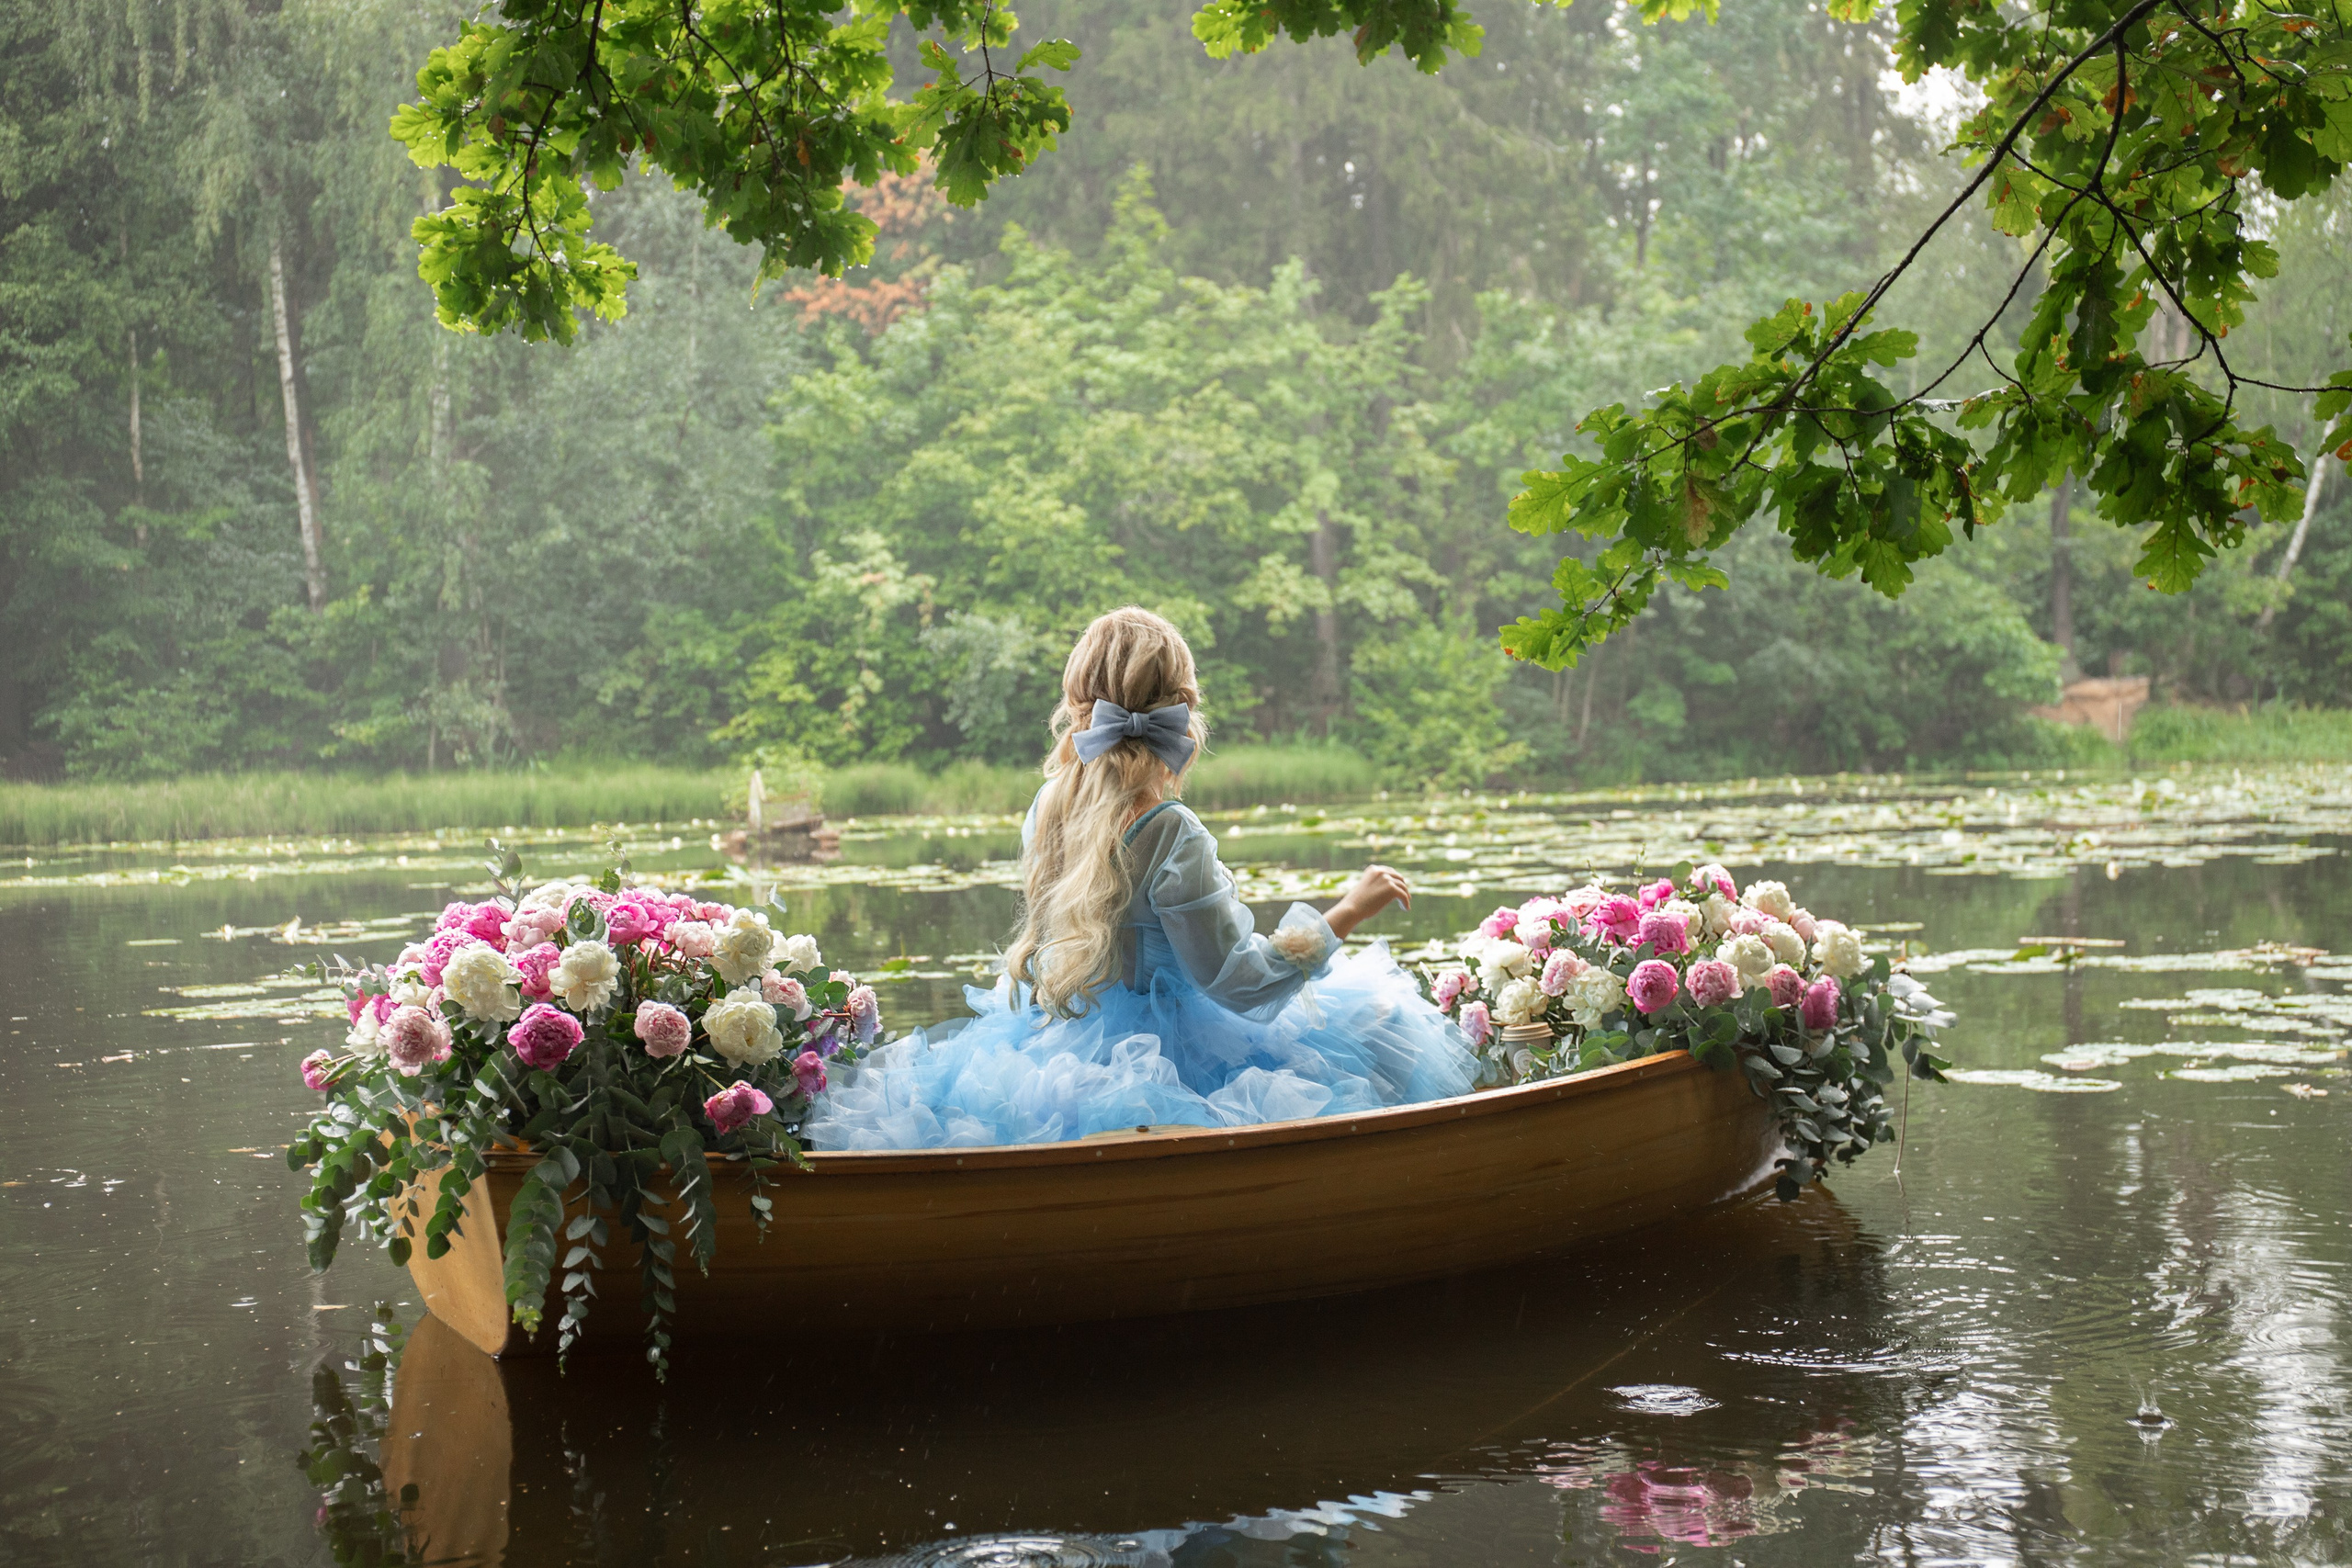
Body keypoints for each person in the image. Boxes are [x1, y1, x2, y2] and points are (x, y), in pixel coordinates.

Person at [803, 606, 1485, 1151]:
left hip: (1063, 1049)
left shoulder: (1047, 807)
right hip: (1178, 1060)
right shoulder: (1170, 830)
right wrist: (1346, 912)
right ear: (1182, 708)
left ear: (1080, 705)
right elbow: (1241, 985)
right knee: (1382, 1024)